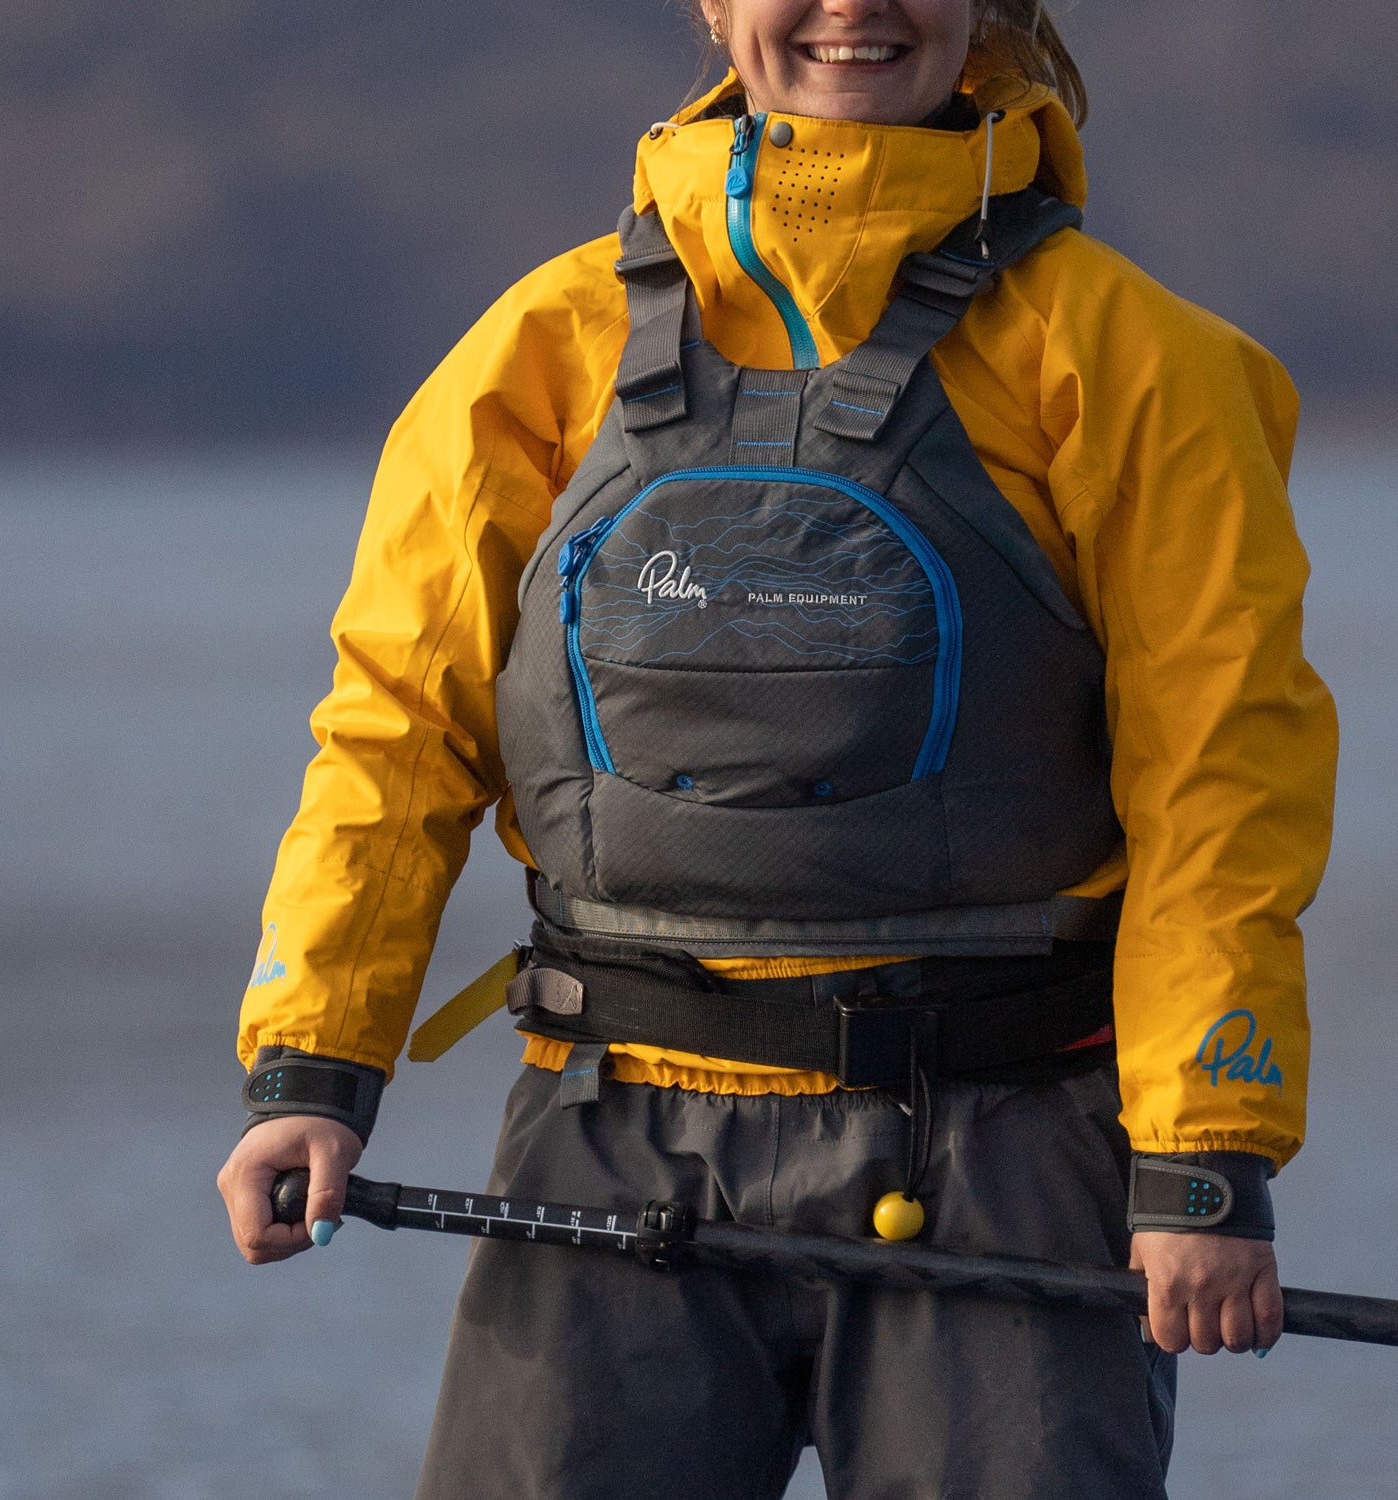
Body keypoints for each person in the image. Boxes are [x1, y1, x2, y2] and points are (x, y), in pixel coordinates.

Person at [217, 2, 1338, 1495]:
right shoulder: (546, 346)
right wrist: (312, 1069)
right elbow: (395, 732)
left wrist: (1204, 1157)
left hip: (1006, 1150)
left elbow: (1223, 786)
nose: (855, 7)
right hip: (609, 1134)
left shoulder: (1134, 361)